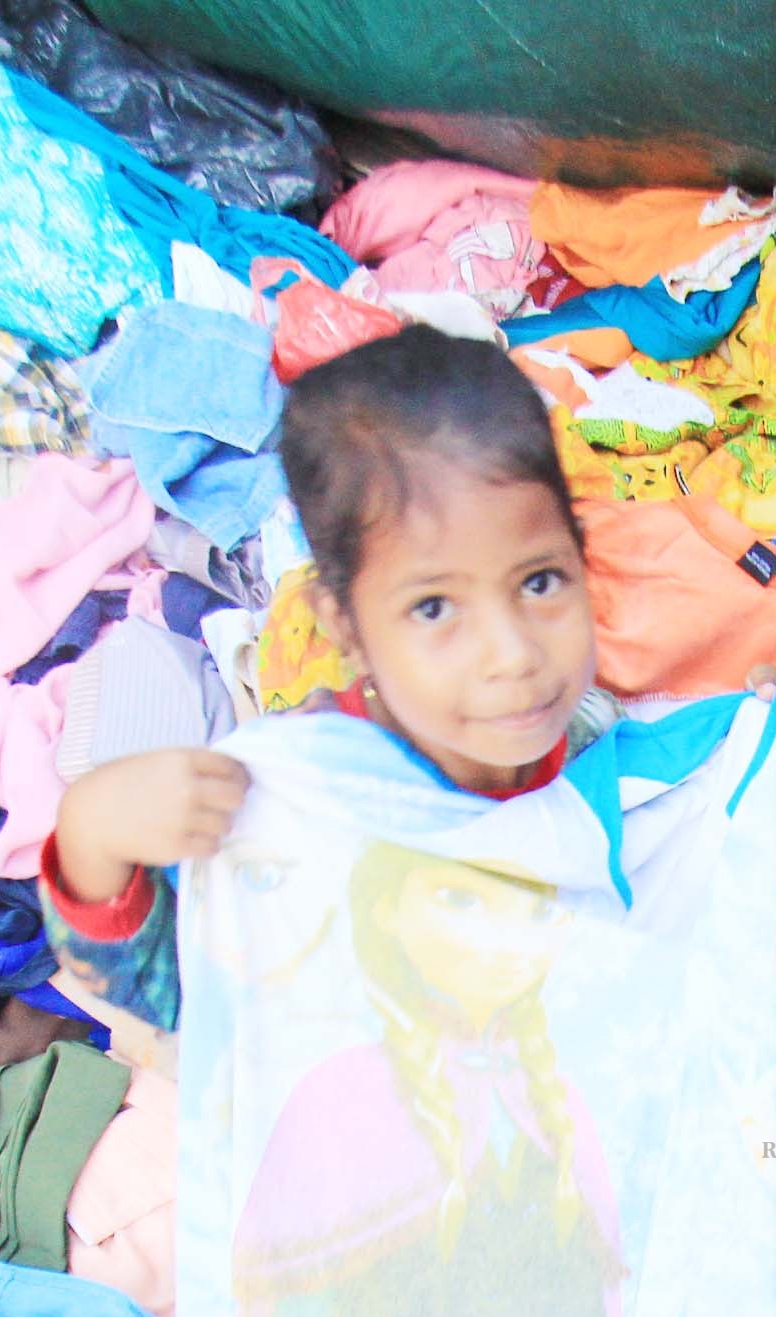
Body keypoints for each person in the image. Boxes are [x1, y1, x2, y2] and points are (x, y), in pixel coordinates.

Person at [37, 324, 612, 1031]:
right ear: (344, 628)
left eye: (541, 581)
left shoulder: (590, 741)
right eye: (434, 607)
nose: (513, 653)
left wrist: (773, 728)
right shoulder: (293, 806)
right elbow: (175, 992)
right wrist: (92, 832)